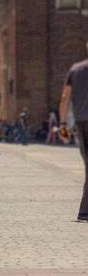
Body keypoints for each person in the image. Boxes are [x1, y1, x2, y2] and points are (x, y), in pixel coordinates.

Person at [59, 48, 88, 223]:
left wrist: (63, 124)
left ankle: (84, 212)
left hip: (81, 122)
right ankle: (84, 212)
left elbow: (64, 97)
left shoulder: (75, 70)